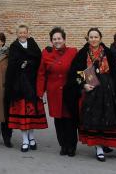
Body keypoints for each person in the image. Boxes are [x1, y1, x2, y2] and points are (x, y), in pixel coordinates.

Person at [65, 27, 116, 162]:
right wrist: (83, 85)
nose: (94, 39)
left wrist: (115, 89)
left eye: (96, 37)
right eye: (91, 37)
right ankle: (98, 148)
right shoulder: (82, 53)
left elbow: (115, 73)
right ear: (88, 38)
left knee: (106, 117)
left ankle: (104, 143)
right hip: (91, 91)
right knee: (95, 118)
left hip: (107, 92)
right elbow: (76, 73)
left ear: (100, 38)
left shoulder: (108, 52)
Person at [37, 26, 78, 156]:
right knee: (58, 120)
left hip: (69, 92)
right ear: (51, 41)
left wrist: (86, 85)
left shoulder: (73, 52)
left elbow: (80, 69)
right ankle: (63, 145)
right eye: (54, 39)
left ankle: (72, 146)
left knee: (70, 120)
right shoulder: (46, 53)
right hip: (53, 92)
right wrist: (40, 92)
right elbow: (41, 74)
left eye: (59, 38)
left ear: (64, 39)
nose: (57, 41)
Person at [6, 24, 47, 151]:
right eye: (20, 33)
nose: (22, 35)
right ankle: (24, 139)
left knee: (31, 114)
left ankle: (31, 137)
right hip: (19, 86)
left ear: (28, 33)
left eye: (24, 32)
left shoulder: (33, 44)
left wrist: (29, 63)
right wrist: (21, 63)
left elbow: (39, 60)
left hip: (32, 84)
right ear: (17, 34)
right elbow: (12, 63)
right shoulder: (13, 46)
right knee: (22, 114)